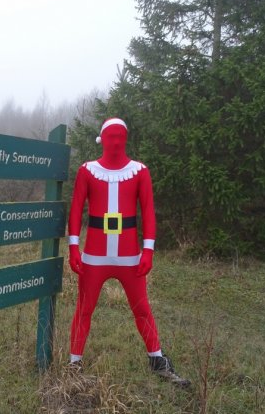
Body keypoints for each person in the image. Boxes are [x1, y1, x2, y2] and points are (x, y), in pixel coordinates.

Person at [67, 117, 189, 386]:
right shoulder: (87, 171)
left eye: (121, 136)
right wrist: (73, 246)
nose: (116, 141)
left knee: (142, 308)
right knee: (84, 309)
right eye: (111, 136)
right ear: (102, 139)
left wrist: (149, 251)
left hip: (130, 257)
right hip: (94, 257)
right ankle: (74, 362)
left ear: (126, 138)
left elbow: (148, 211)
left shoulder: (140, 171)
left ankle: (157, 359)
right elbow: (76, 209)